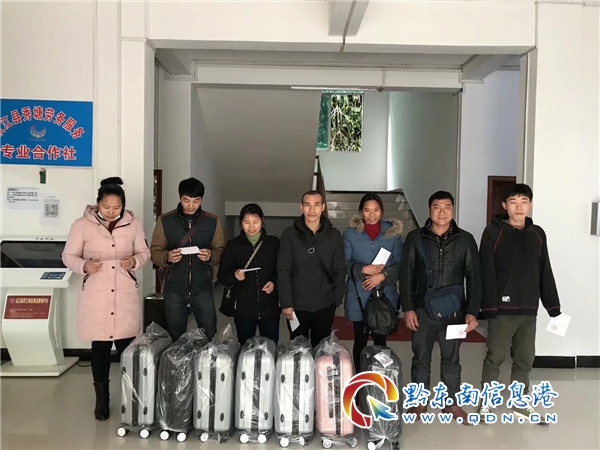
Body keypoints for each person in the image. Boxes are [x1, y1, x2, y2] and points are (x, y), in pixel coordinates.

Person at [62, 177, 150, 421]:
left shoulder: (132, 224)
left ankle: (133, 397)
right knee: (100, 347)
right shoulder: (81, 225)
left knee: (128, 347)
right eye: (106, 206)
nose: (111, 212)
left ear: (123, 205)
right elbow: (68, 256)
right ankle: (102, 399)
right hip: (96, 294)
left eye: (116, 207)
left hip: (124, 292)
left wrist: (135, 261)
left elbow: (144, 252)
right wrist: (84, 265)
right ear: (98, 203)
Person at [478, 183, 562, 423]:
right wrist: (488, 307)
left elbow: (545, 270)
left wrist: (553, 308)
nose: (519, 207)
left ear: (530, 205)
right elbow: (486, 271)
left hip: (528, 309)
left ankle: (520, 403)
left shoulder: (538, 234)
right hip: (501, 310)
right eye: (513, 202)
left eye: (524, 201)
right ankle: (487, 403)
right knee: (495, 357)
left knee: (525, 358)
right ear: (504, 205)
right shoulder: (493, 232)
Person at [399, 190, 481, 423]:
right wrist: (408, 308)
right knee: (420, 357)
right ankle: (419, 403)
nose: (442, 212)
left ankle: (451, 404)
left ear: (453, 210)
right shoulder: (415, 238)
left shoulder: (465, 240)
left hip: (455, 312)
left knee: (452, 359)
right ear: (429, 210)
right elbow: (406, 275)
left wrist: (472, 312)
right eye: (437, 207)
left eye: (447, 207)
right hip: (422, 309)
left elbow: (474, 278)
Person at [150, 177, 225, 341]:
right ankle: (177, 359)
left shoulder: (212, 221)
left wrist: (211, 256)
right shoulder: (165, 220)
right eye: (186, 200)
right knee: (175, 334)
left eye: (196, 201)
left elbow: (220, 251)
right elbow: (155, 252)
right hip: (174, 286)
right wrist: (167, 257)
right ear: (180, 197)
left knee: (209, 331)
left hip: (203, 286)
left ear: (201, 200)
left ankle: (206, 358)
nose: (191, 206)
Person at [277, 190, 346, 348]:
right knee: (298, 349)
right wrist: (286, 303)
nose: (312, 210)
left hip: (325, 303)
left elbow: (339, 268)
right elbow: (283, 270)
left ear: (323, 207)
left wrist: (336, 298)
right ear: (301, 207)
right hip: (297, 305)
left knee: (321, 348)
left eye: (316, 205)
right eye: (307, 205)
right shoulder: (290, 235)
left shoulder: (334, 235)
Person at [343, 193, 404, 370]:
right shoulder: (350, 234)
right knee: (360, 340)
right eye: (367, 210)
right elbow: (343, 263)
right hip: (359, 295)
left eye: (376, 210)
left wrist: (382, 275)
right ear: (361, 212)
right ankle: (360, 378)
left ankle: (380, 378)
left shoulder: (392, 234)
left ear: (381, 211)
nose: (371, 215)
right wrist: (363, 269)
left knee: (380, 340)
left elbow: (401, 265)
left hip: (384, 295)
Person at [217, 203, 281, 346]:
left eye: (255, 222)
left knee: (271, 346)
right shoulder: (233, 245)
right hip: (243, 308)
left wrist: (274, 283)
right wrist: (234, 275)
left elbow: (283, 270)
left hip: (269, 307)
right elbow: (222, 274)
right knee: (245, 347)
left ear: (262, 221)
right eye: (247, 222)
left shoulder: (274, 243)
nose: (251, 227)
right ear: (241, 222)